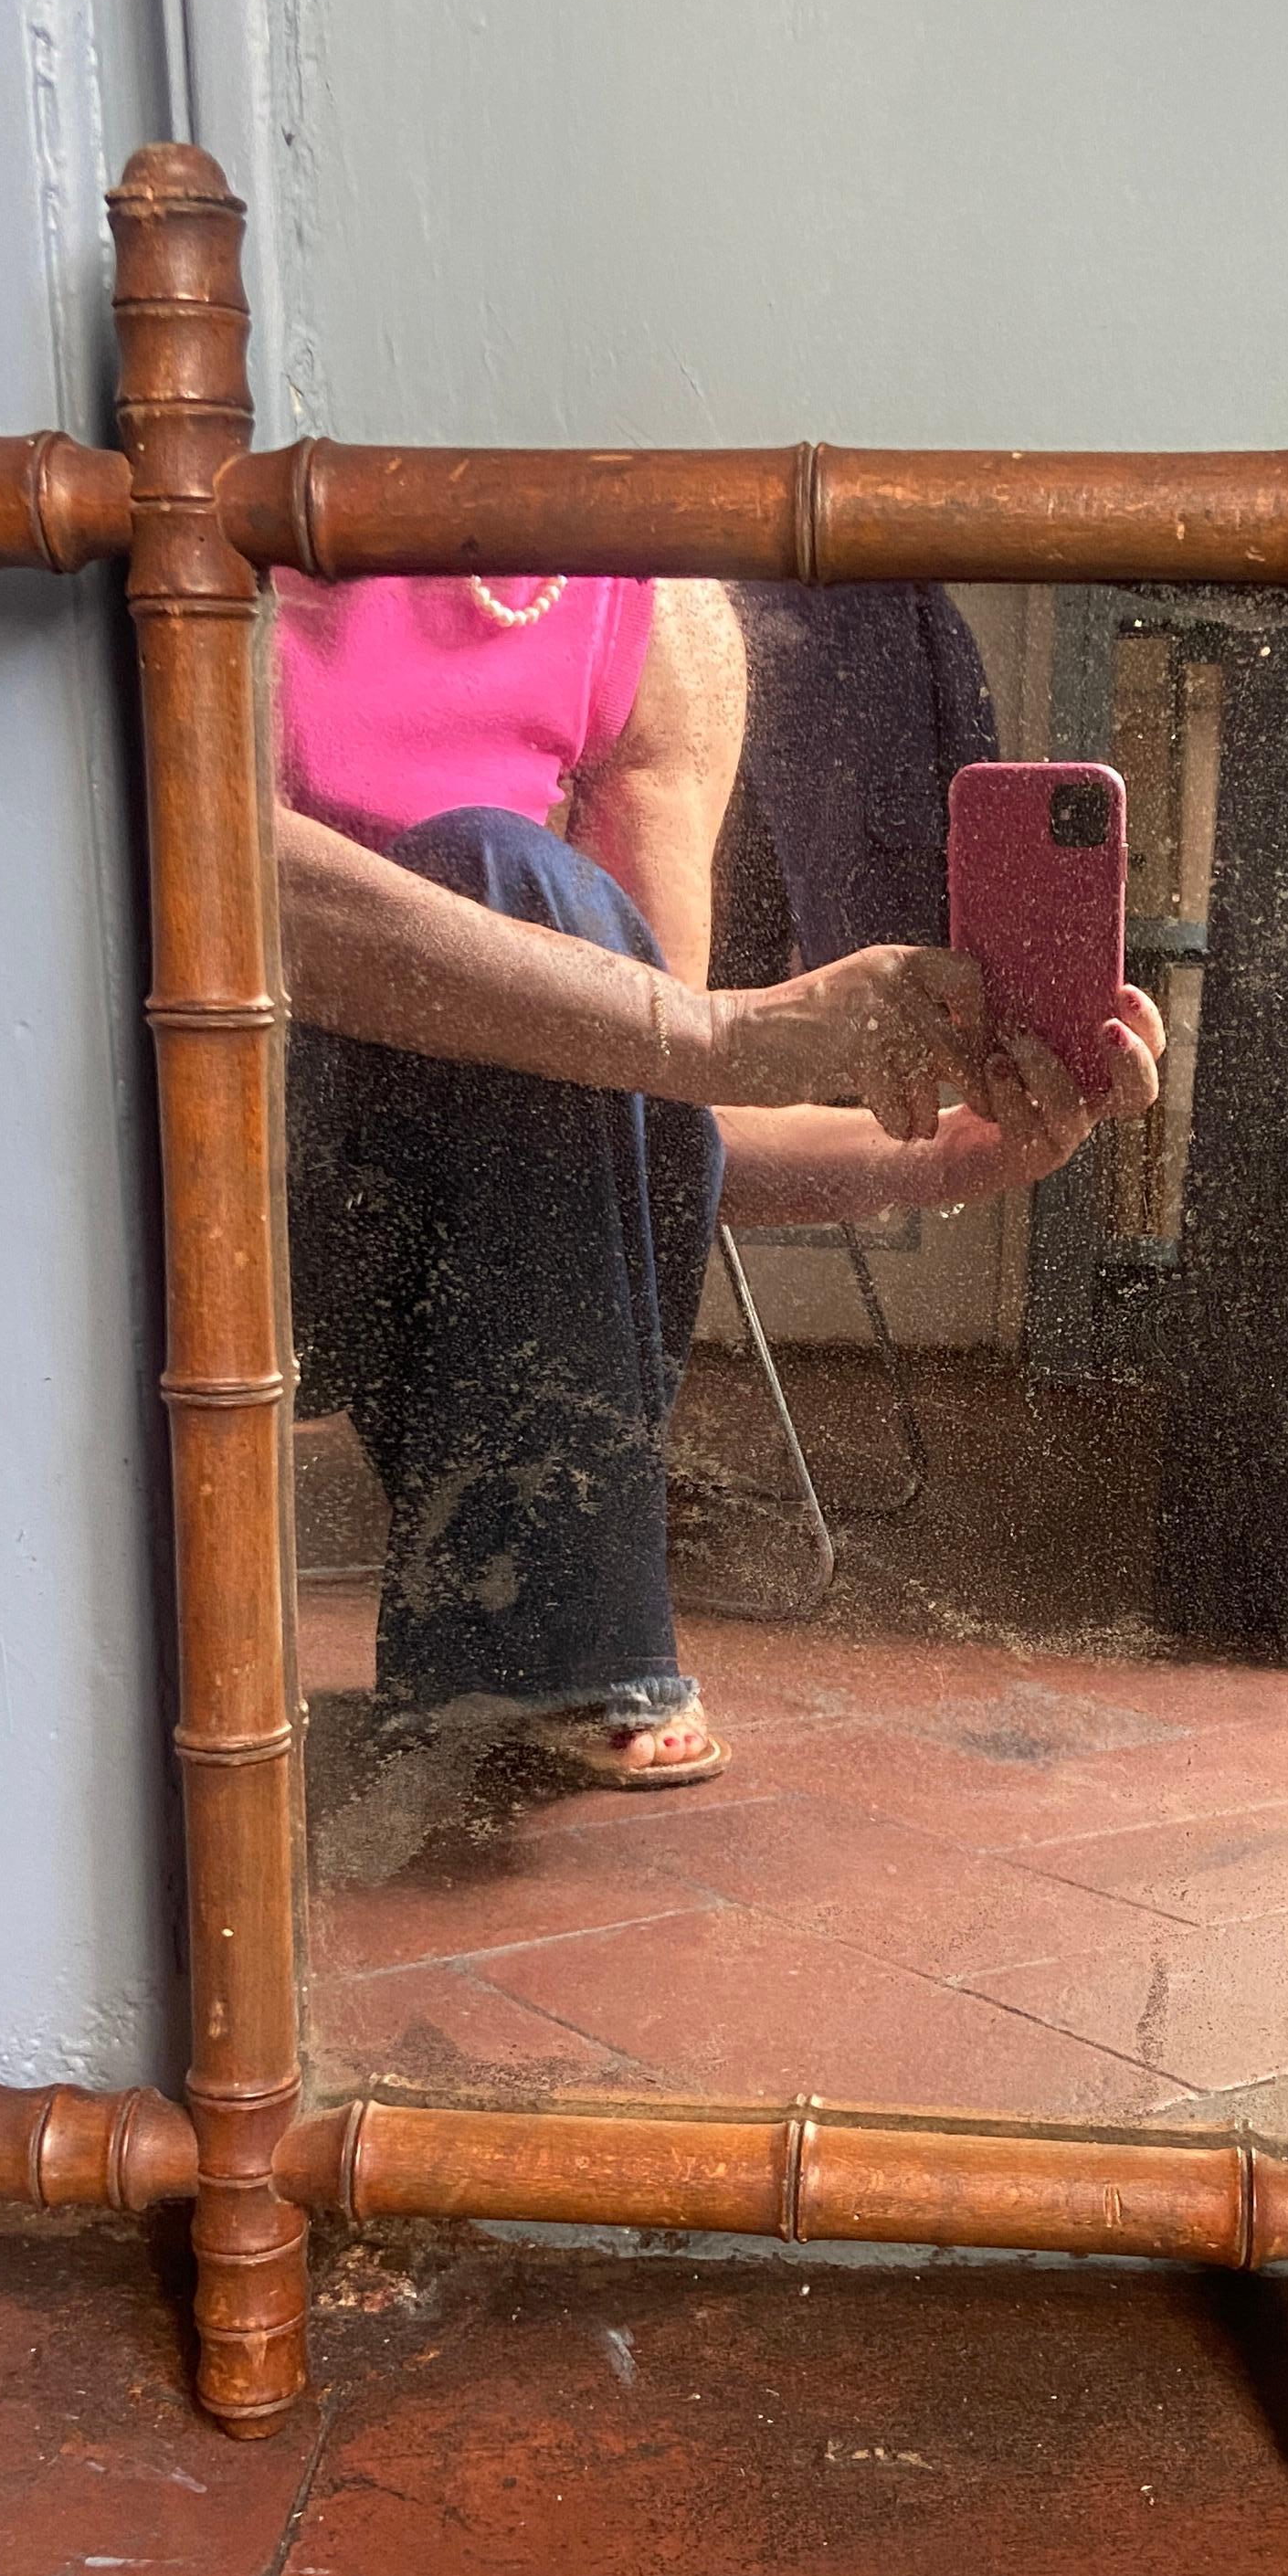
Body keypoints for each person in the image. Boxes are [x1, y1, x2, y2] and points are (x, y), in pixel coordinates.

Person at [274, 566, 1161, 1791]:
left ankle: (532, 1635)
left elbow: (643, 1133)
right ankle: (560, 1642)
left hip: (492, 1269)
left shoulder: (652, 618)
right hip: (237, 1194)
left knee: (543, 915)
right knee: (500, 866)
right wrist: (724, 1036)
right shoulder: (247, 544)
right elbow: (213, 880)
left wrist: (965, 1151)